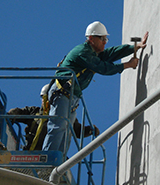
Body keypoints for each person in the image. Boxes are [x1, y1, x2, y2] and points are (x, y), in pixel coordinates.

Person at [42, 21, 149, 155]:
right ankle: (46, 162)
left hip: (72, 96)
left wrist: (134, 47)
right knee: (58, 127)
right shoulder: (83, 52)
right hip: (62, 92)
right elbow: (102, 67)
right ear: (91, 39)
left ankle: (57, 163)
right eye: (102, 38)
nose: (105, 42)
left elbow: (110, 53)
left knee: (67, 131)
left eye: (106, 38)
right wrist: (126, 65)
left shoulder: (93, 52)